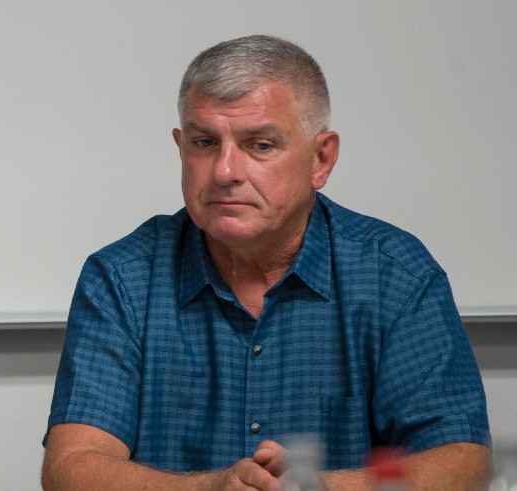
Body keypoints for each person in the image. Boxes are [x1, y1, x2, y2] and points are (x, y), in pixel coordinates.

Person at [41, 35, 490, 490]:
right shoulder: (122, 277)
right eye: (204, 142)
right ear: (180, 147)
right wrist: (207, 489)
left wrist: (322, 487)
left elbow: (459, 458)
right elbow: (71, 468)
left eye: (259, 145)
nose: (224, 171)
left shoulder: (395, 275)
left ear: (321, 159)